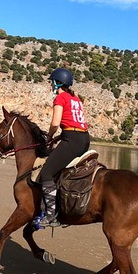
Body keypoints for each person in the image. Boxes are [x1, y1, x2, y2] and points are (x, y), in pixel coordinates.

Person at [37, 68, 90, 228]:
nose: (50, 85)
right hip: (84, 138)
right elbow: (73, 121)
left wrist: (50, 136)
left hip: (72, 139)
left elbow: (55, 123)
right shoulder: (75, 98)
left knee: (46, 173)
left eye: (51, 82)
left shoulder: (60, 98)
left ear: (56, 83)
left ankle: (51, 215)